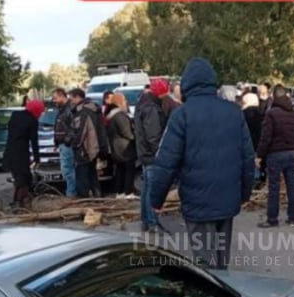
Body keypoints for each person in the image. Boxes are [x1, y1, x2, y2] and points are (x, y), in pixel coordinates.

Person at [151, 57, 255, 269]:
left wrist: (156, 200)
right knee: (221, 260)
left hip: (197, 201)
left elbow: (165, 162)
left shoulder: (182, 115)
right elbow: (248, 158)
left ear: (187, 84)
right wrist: (244, 194)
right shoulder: (234, 112)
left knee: (204, 263)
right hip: (227, 199)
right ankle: (224, 294)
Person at [255, 85, 294, 228]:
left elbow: (266, 137)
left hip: (275, 154)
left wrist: (259, 155)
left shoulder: (271, 114)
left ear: (274, 97)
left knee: (274, 187)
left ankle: (272, 219)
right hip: (290, 153)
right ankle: (292, 218)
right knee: (291, 186)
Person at [135, 78, 172, 232]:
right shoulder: (152, 109)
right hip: (152, 154)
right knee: (152, 189)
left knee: (146, 188)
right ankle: (152, 222)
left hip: (144, 153)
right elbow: (153, 136)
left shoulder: (142, 104)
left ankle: (146, 220)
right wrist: (161, 153)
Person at [2, 99, 44, 210]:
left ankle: (19, 202)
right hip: (21, 154)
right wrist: (37, 159)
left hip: (10, 151)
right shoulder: (32, 120)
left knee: (19, 179)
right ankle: (18, 204)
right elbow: (34, 141)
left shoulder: (15, 115)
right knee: (24, 180)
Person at [68, 88, 109, 198]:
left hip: (85, 149)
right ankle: (97, 198)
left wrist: (73, 144)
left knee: (82, 178)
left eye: (71, 98)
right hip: (95, 148)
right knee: (92, 176)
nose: (70, 101)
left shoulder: (83, 112)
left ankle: (84, 202)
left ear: (77, 97)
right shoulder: (94, 109)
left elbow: (80, 132)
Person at [106, 92, 137, 199]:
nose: (126, 102)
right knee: (129, 170)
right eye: (124, 100)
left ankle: (120, 192)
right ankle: (128, 192)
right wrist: (135, 138)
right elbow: (126, 132)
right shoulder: (120, 115)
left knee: (120, 170)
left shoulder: (111, 114)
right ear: (119, 102)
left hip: (116, 149)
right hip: (125, 148)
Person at [51, 88, 76, 198]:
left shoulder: (69, 109)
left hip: (67, 145)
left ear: (62, 96)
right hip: (63, 144)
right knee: (67, 170)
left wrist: (66, 140)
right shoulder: (62, 109)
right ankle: (71, 193)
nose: (54, 100)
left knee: (68, 170)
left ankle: (71, 194)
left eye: (55, 98)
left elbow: (73, 126)